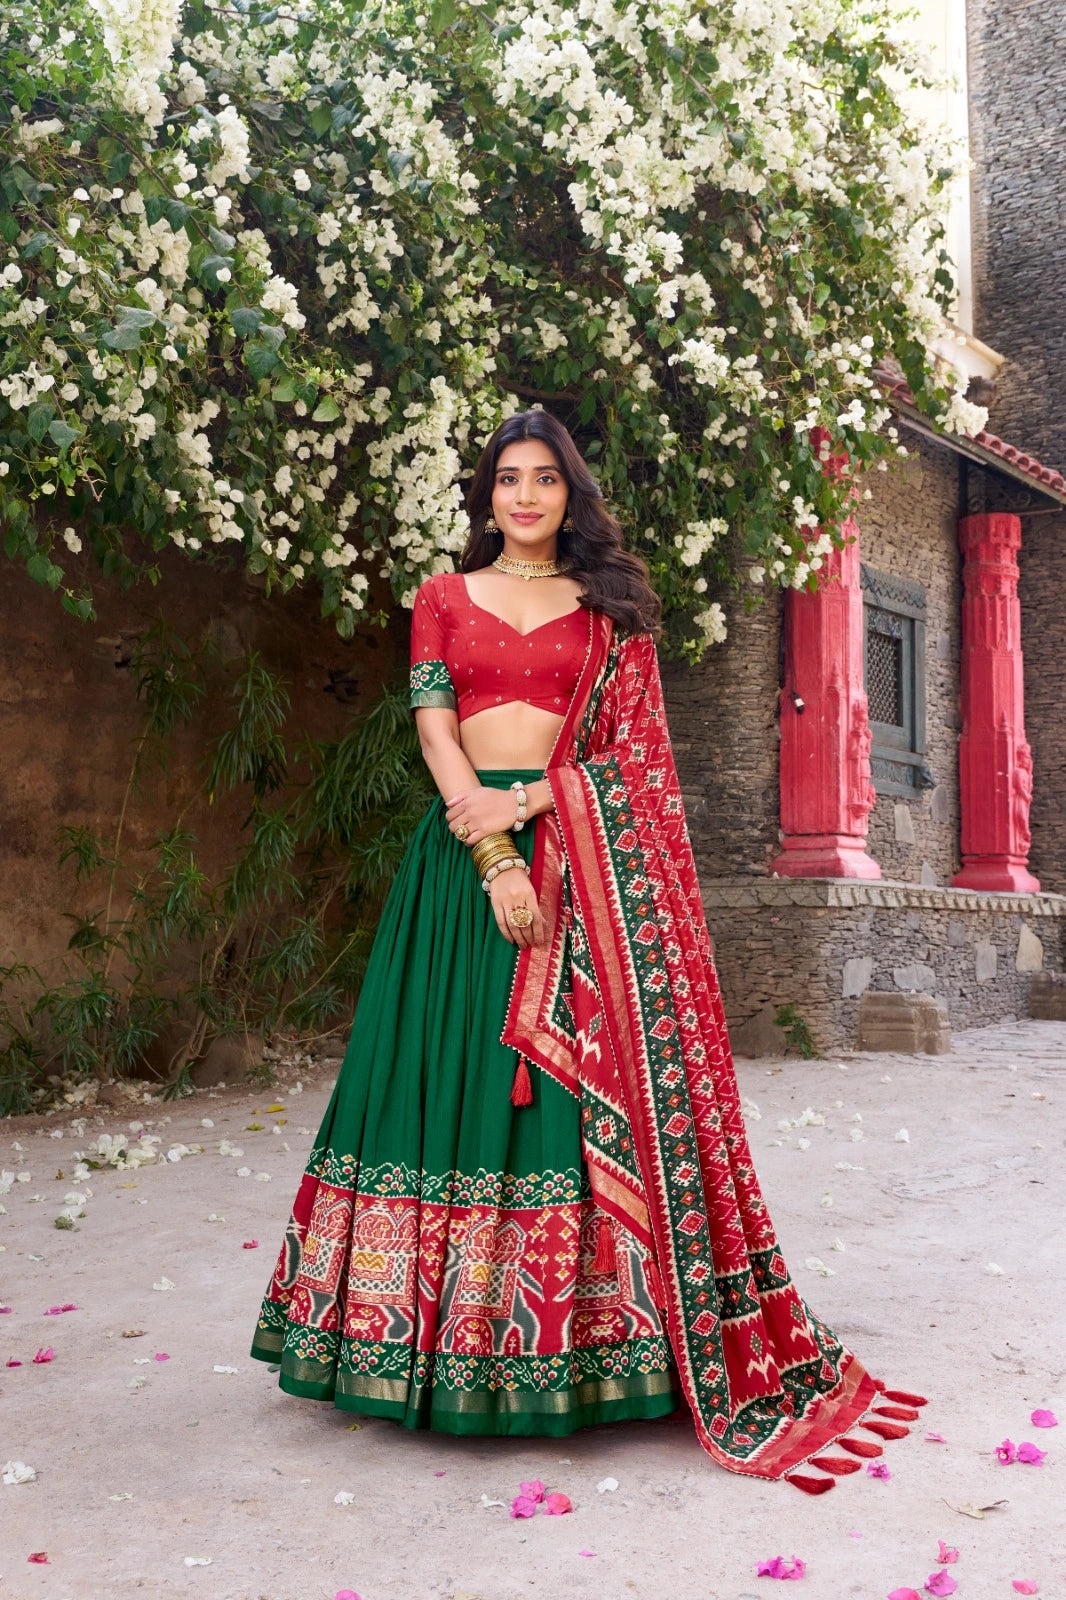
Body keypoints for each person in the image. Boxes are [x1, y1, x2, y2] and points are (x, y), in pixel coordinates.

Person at [250, 410, 925, 1491]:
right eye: (506, 480)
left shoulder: (607, 611)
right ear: (485, 496)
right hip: (462, 870)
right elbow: (433, 723)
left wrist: (534, 810)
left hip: (582, 873)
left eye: (543, 480)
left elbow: (635, 770)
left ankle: (587, 1351)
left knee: (576, 1101)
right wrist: (486, 836)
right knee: (443, 1082)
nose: (523, 498)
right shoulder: (442, 596)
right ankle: (425, 1343)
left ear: (570, 495)